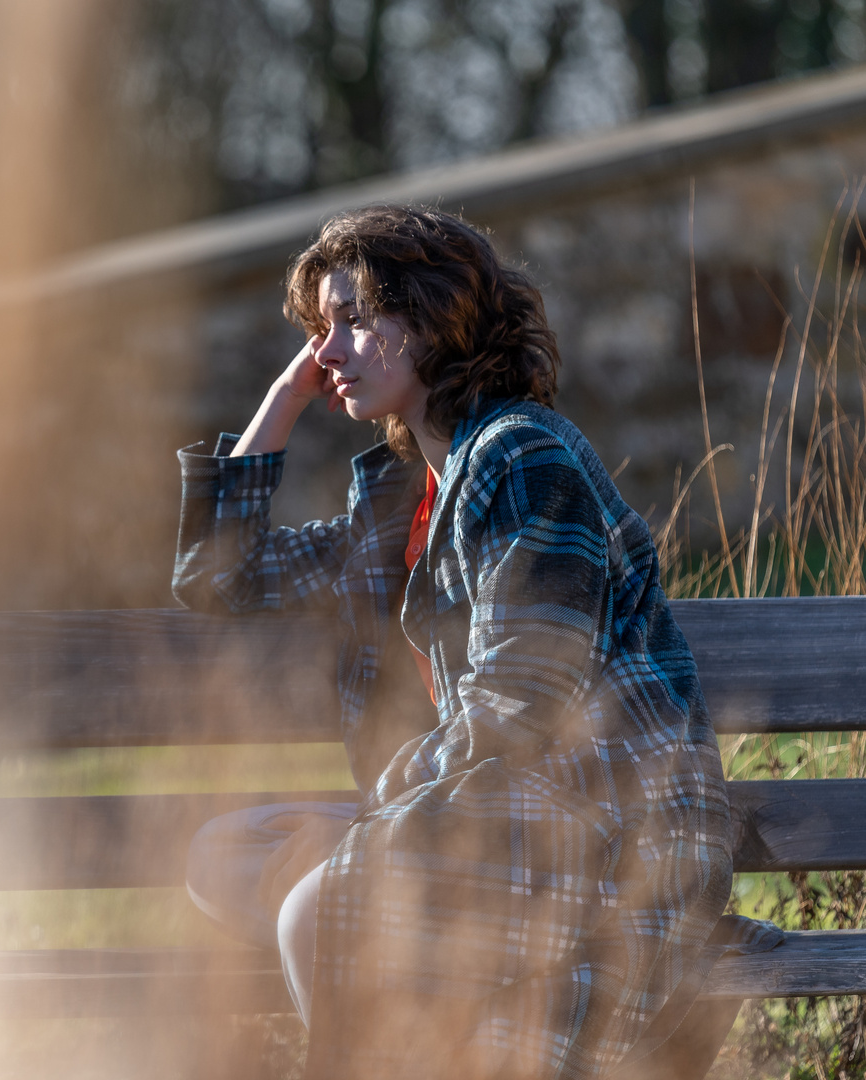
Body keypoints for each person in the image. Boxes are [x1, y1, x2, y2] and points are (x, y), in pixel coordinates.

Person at [173, 205, 780, 1080]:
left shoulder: (522, 458)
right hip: (489, 807)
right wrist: (283, 400)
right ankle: (423, 975)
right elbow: (216, 577)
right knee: (221, 854)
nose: (327, 350)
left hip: (600, 822)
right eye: (318, 328)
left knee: (317, 908)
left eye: (352, 319)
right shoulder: (397, 506)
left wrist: (381, 816)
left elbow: (521, 698)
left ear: (429, 318)